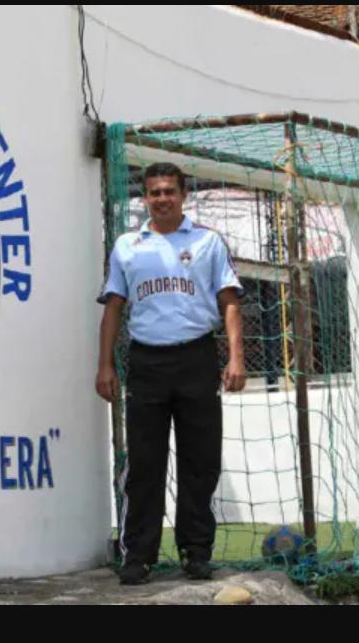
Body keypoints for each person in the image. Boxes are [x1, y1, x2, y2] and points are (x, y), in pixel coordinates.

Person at [96, 162, 246, 585]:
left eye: (169, 191)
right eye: (154, 192)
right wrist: (105, 364)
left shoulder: (207, 242)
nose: (162, 198)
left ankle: (195, 553)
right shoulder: (127, 246)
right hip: (146, 361)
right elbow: (113, 308)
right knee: (145, 464)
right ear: (145, 198)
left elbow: (230, 301)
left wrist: (236, 358)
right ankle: (138, 556)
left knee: (201, 461)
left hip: (197, 358)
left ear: (183, 195)